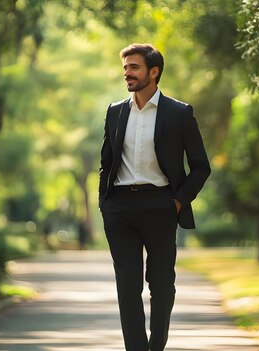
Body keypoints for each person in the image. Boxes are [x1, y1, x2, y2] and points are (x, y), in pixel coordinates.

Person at [98, 43, 210, 351]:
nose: (127, 74)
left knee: (161, 287)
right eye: (125, 69)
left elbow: (201, 167)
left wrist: (176, 201)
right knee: (128, 287)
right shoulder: (115, 111)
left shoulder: (179, 113)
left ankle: (156, 346)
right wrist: (105, 204)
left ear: (154, 71)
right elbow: (106, 162)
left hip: (160, 205)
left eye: (134, 68)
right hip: (120, 208)